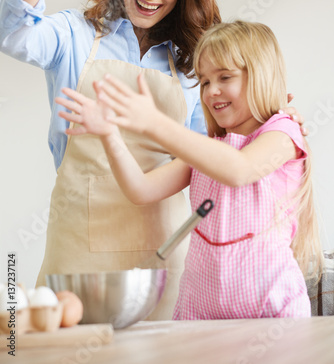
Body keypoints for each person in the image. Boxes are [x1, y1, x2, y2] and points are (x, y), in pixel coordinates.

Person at [0, 0, 305, 319]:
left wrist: (272, 115)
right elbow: (11, 31)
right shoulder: (75, 35)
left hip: (166, 254)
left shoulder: (194, 64)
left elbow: (216, 154)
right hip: (78, 248)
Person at [56, 20, 323, 319]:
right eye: (206, 82)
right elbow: (141, 190)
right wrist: (109, 134)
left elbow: (240, 170)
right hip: (201, 314)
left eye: (225, 77)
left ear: (261, 76)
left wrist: (156, 124)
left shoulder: (283, 133)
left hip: (271, 316)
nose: (212, 92)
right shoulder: (209, 149)